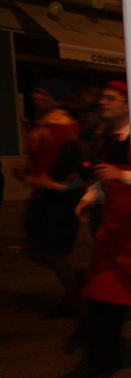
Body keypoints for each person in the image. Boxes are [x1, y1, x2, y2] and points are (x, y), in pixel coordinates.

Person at [64, 81, 131, 378]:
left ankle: (106, 354)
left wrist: (122, 175)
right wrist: (89, 197)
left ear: (128, 104)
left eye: (111, 98)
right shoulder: (110, 140)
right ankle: (101, 353)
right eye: (103, 98)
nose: (104, 103)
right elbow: (103, 180)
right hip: (114, 228)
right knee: (104, 292)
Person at [13, 80, 85, 315]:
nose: (35, 96)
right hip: (42, 194)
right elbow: (40, 160)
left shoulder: (65, 127)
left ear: (55, 99)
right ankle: (76, 279)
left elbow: (75, 164)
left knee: (52, 250)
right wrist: (29, 172)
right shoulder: (41, 124)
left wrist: (56, 183)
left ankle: (74, 296)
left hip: (61, 197)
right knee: (36, 248)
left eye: (42, 93)